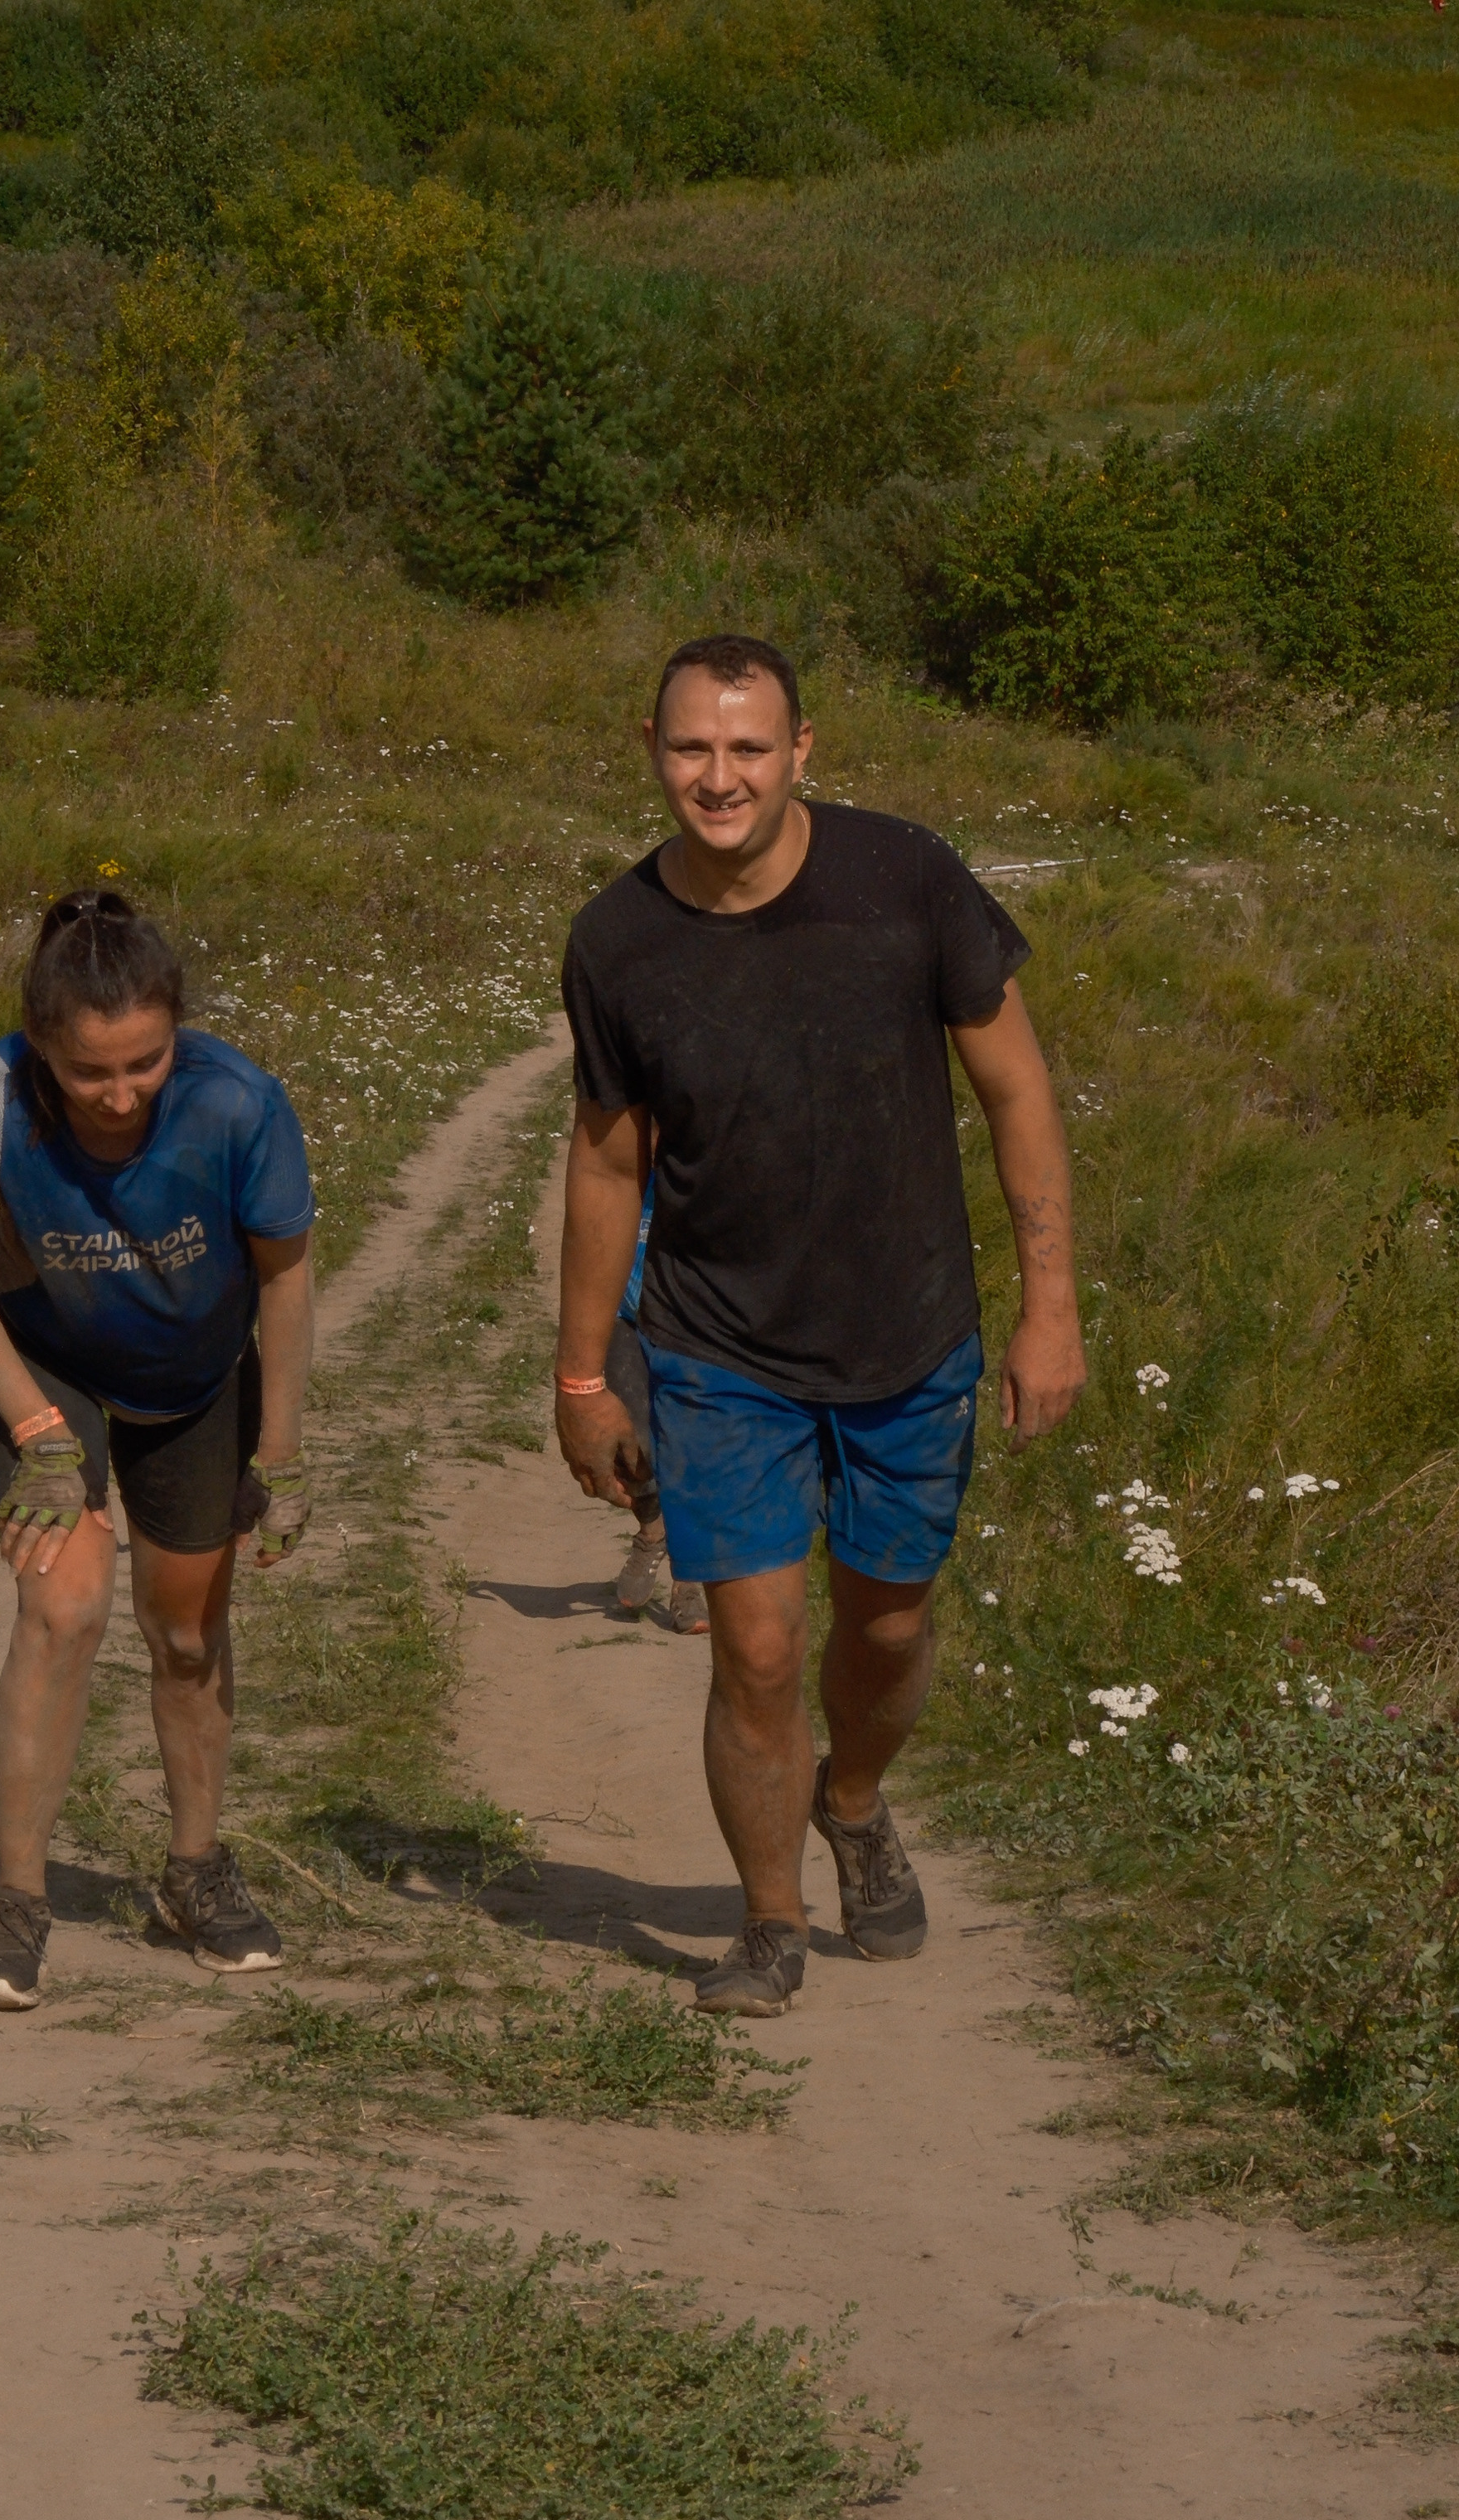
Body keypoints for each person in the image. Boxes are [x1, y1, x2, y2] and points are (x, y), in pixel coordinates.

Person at [555, 636, 1085, 2018]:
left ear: (803, 754)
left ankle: (852, 1801)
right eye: (689, 748)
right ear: (652, 751)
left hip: (909, 1333)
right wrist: (579, 1376)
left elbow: (1018, 1096)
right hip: (719, 1348)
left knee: (889, 1630)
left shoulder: (907, 883)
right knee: (760, 1646)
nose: (715, 777)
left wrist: (1052, 1312)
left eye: (745, 749)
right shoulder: (617, 941)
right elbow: (607, 1166)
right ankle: (770, 1921)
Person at [0, 888, 316, 2008]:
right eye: (93, 1073)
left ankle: (195, 1873)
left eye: (146, 1063)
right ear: (43, 1046)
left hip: (193, 1381)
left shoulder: (237, 1103)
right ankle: (16, 1903)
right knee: (66, 1604)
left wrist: (278, 1454)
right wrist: (38, 1434)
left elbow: (284, 1275)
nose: (123, 1093)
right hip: (43, 1371)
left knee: (185, 1629)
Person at [608, 1186, 709, 1635]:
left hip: (694, 1332)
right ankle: (652, 1527)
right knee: (627, 1442)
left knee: (689, 1452)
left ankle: (689, 1584)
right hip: (624, 1320)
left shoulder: (707, 1169)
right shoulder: (624, 1171)